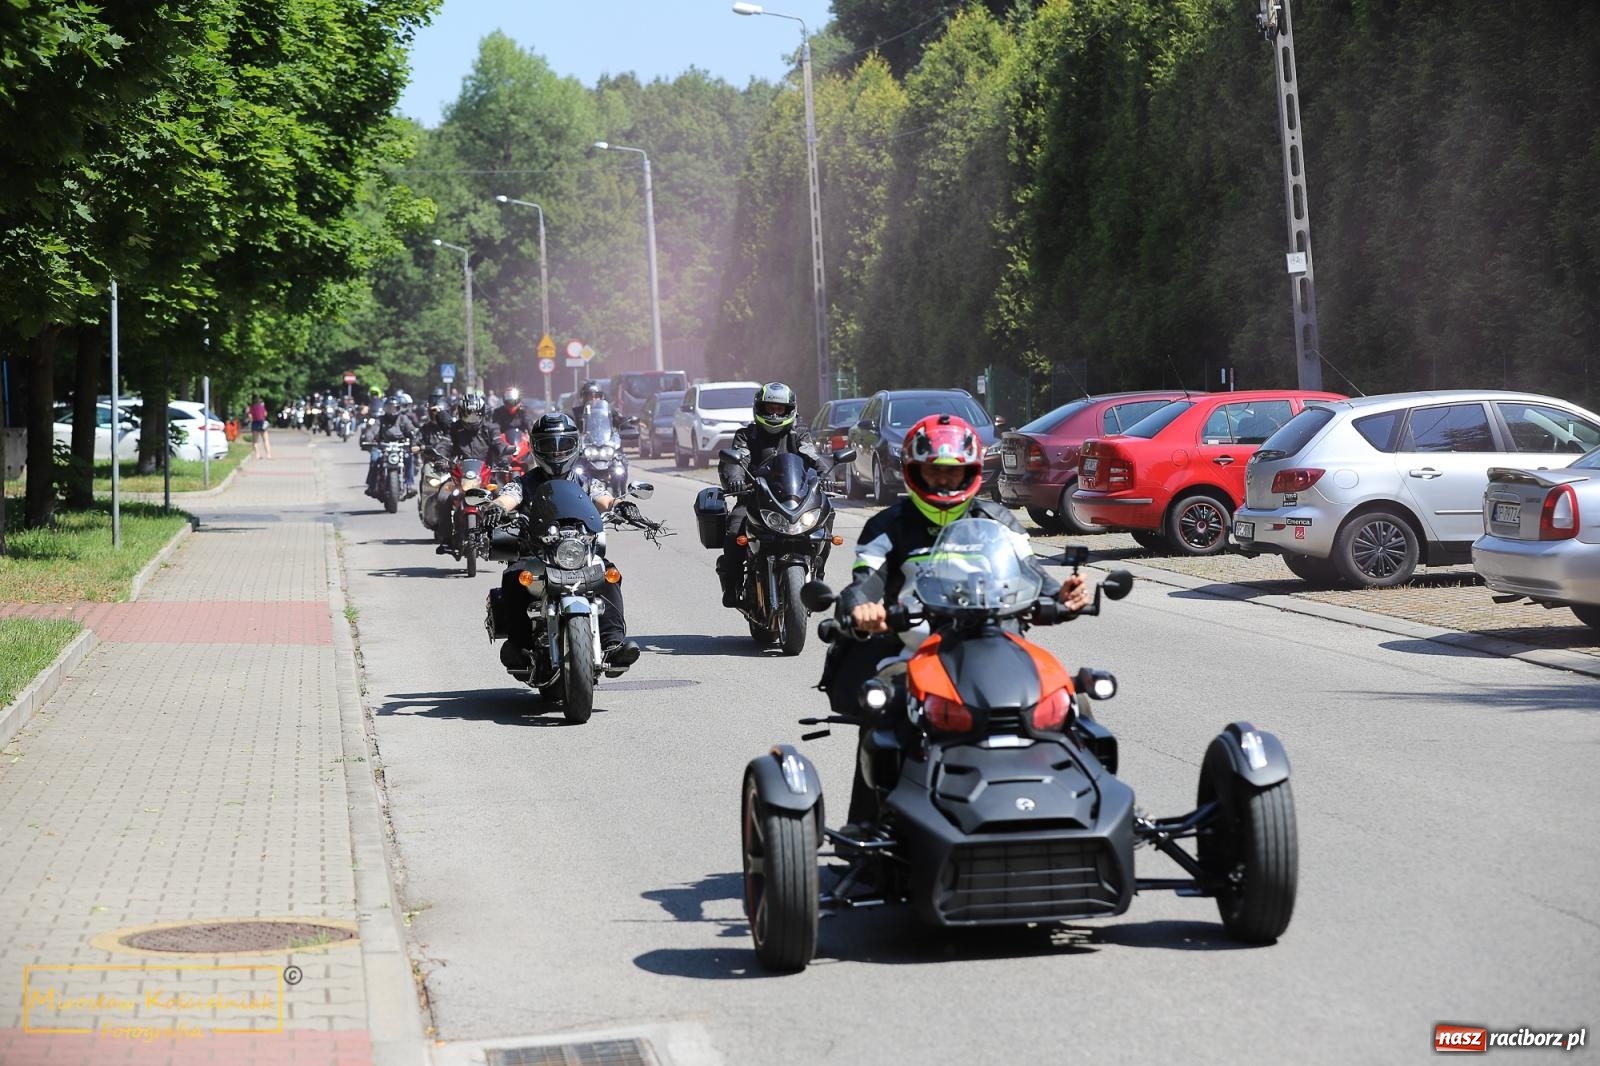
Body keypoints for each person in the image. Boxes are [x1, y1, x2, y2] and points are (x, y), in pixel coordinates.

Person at [819, 414, 1091, 823]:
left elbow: (1036, 578)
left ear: (972, 472)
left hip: (1000, 644)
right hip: (916, 651)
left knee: (1068, 703)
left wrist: (1065, 595)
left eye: (954, 472)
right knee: (884, 706)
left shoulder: (999, 521)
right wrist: (861, 608)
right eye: (934, 472)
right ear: (914, 472)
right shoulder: (888, 525)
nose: (945, 482)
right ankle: (866, 825)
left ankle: (1082, 806)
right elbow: (864, 583)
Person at [490, 413, 641, 674]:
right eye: (549, 446)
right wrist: (497, 507)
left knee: (609, 575)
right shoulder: (524, 483)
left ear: (575, 445)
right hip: (537, 554)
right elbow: (508, 498)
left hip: (578, 552)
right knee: (514, 579)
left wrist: (620, 505)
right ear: (536, 448)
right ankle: (519, 646)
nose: (556, 452)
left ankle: (612, 644)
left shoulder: (584, 480)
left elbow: (604, 498)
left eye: (563, 445)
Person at [715, 382, 827, 607]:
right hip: (754, 498)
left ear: (789, 410)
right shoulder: (746, 435)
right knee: (735, 530)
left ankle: (818, 573)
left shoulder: (798, 434)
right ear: (760, 408)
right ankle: (733, 585)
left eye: (780, 409)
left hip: (794, 499)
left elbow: (813, 456)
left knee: (824, 523)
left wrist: (828, 474)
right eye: (770, 408)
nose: (775, 414)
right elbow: (736, 460)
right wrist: (735, 480)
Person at [432, 393, 507, 550]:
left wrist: (504, 456)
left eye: (475, 415)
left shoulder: (491, 428)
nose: (471, 419)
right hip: (459, 475)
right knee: (443, 497)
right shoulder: (455, 429)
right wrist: (439, 458)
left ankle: (504, 538)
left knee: (504, 497)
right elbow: (445, 444)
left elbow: (499, 444)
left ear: (482, 413)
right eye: (468, 415)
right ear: (461, 414)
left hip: (486, 476)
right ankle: (446, 539)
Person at [366, 393, 419, 500]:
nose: (392, 410)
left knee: (409, 457)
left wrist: (414, 440)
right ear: (385, 409)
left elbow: (412, 430)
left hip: (401, 446)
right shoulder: (380, 419)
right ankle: (371, 486)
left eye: (394, 408)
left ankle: (409, 485)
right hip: (383, 446)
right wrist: (368, 438)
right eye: (389, 408)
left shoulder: (403, 418)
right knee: (374, 458)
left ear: (398, 408)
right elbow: (372, 431)